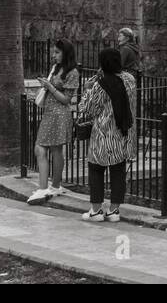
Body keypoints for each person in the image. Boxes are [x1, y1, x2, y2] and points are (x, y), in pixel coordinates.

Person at [76, 47, 136, 222]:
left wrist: (87, 89)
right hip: (124, 132)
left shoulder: (100, 85)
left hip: (104, 133)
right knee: (118, 171)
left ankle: (96, 211)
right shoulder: (130, 80)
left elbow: (87, 109)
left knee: (96, 170)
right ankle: (114, 211)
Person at [28, 38, 80, 203]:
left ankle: (44, 188)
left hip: (59, 114)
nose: (54, 55)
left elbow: (67, 99)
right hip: (50, 112)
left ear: (66, 53)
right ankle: (54, 186)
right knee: (54, 150)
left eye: (57, 52)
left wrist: (50, 87)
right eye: (54, 52)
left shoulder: (72, 72)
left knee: (41, 148)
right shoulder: (56, 68)